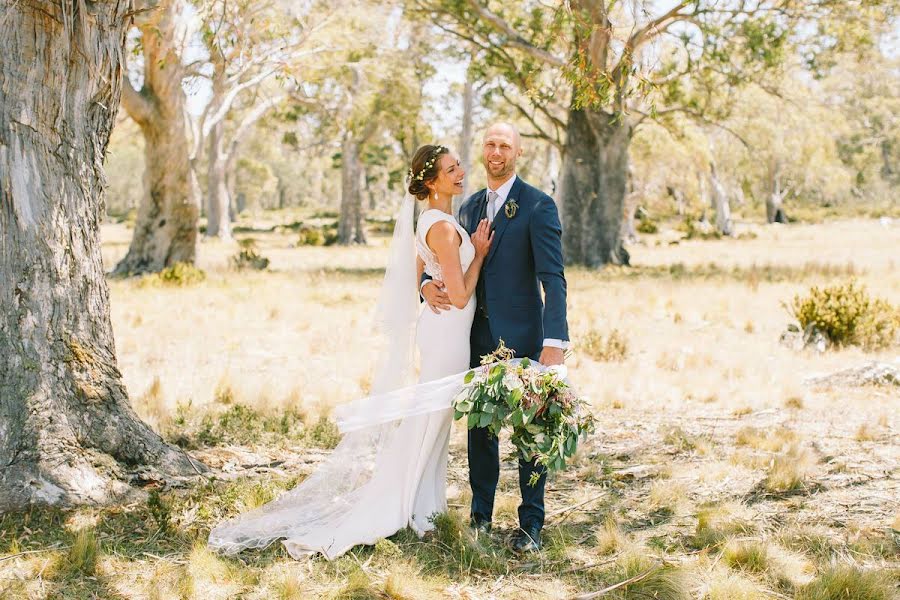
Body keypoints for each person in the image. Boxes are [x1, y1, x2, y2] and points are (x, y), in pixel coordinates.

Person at [208, 144, 494, 559]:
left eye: (458, 166)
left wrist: (423, 286)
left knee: (435, 418)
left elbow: (417, 274)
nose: (461, 172)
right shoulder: (445, 228)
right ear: (431, 181)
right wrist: (480, 255)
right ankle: (398, 504)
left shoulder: (434, 219)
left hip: (442, 329)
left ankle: (424, 508)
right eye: (451, 169)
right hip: (449, 330)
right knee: (431, 418)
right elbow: (461, 294)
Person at [422, 122, 569, 552]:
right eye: (490, 144)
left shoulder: (538, 206)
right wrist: (424, 288)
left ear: (518, 153)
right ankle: (480, 519)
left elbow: (553, 278)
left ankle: (531, 527)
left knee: (532, 435)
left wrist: (555, 342)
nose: (496, 151)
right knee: (481, 435)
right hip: (476, 340)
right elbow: (444, 264)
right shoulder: (466, 209)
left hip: (526, 339)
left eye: (505, 145)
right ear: (482, 150)